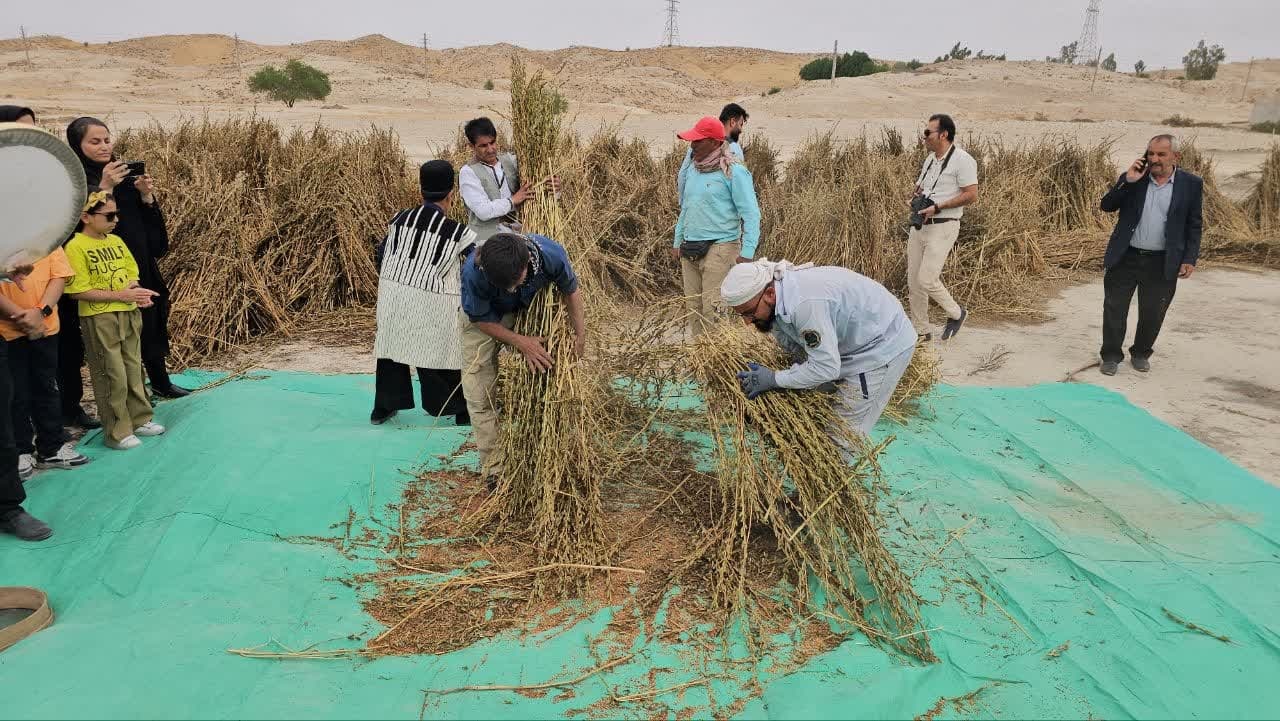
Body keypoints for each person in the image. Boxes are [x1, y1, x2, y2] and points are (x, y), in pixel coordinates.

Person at [64, 117, 189, 417]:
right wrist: (103, 187)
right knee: (102, 340)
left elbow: (157, 240)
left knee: (151, 321)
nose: (104, 146)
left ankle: (159, 380)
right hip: (99, 274)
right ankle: (81, 406)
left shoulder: (125, 179)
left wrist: (146, 196)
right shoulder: (73, 182)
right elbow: (76, 230)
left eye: (107, 140)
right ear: (76, 146)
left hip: (137, 265)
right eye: (94, 142)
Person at [722, 259, 917, 441]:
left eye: (749, 313)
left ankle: (840, 474)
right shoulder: (776, 297)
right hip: (847, 346)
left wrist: (775, 379)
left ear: (770, 294)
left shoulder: (804, 305)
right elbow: (800, 347)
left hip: (879, 347)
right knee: (815, 411)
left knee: (842, 435)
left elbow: (826, 368)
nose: (747, 322)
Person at [458, 232, 585, 488]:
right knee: (478, 390)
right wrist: (520, 342)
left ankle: (545, 450)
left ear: (527, 262)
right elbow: (479, 319)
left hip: (526, 310)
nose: (511, 289)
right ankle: (494, 469)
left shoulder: (551, 255)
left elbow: (571, 291)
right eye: (504, 286)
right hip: (484, 320)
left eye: (516, 282)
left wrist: (580, 334)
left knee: (545, 370)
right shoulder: (474, 270)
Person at [371, 160, 473, 426]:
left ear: (421, 191)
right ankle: (458, 409)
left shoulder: (399, 219)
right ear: (452, 193)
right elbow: (476, 262)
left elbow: (381, 254)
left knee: (391, 346)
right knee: (441, 347)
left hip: (392, 294)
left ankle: (383, 407)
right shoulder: (456, 232)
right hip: (433, 300)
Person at [64, 191, 166, 450]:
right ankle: (117, 430)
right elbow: (77, 290)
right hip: (100, 316)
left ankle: (140, 418)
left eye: (117, 214)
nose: (115, 220)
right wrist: (121, 294)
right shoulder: (76, 247)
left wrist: (137, 293)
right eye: (109, 215)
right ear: (86, 217)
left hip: (128, 312)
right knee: (111, 373)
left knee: (133, 367)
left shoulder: (117, 242)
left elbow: (131, 273)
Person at [1098, 134, 1203, 376]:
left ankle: (1141, 353)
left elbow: (1194, 224)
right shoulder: (1135, 179)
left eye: (1161, 154)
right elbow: (1107, 206)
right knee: (1114, 308)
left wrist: (1189, 258)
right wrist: (1128, 180)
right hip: (1126, 256)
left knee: (1153, 311)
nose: (1154, 159)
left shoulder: (1191, 184)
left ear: (1175, 156)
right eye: (1150, 153)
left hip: (1162, 260)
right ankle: (1111, 356)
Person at [1, 243, 90, 482]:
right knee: (16, 393)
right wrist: (21, 316)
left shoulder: (48, 236)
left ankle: (51, 447)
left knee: (47, 386)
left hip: (46, 327)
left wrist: (41, 312)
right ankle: (21, 450)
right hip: (8, 330)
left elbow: (58, 277)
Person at [671, 116, 761, 338]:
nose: (692, 146)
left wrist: (747, 251)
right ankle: (699, 362)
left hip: (721, 248)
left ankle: (715, 365)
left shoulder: (734, 172)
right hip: (690, 248)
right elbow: (688, 206)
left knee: (713, 312)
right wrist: (677, 240)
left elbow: (750, 213)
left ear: (714, 142)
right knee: (694, 311)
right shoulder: (693, 169)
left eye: (698, 141)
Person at [907, 113, 979, 341]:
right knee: (913, 281)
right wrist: (917, 197)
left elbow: (971, 195)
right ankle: (922, 330)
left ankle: (957, 313)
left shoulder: (963, 160)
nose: (924, 136)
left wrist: (938, 207)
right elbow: (924, 187)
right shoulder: (930, 159)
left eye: (928, 132)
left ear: (944, 134)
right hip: (920, 225)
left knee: (927, 279)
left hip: (944, 225)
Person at [458, 117, 533, 244]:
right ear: (471, 146)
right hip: (487, 241)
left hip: (520, 232)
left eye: (492, 143)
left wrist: (553, 189)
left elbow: (533, 190)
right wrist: (513, 200)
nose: (490, 149)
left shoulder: (511, 161)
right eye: (483, 145)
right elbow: (483, 211)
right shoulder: (468, 172)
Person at [677, 103, 748, 202]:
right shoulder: (734, 148)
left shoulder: (699, 143)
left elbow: (682, 174)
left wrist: (682, 203)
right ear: (732, 122)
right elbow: (741, 186)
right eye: (740, 124)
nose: (741, 130)